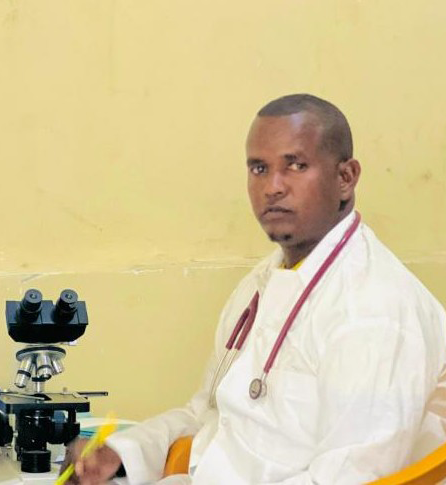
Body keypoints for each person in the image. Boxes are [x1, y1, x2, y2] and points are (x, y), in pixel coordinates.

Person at [62, 94, 446, 484]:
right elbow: (206, 414)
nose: (272, 187)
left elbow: (350, 478)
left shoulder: (375, 310)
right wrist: (123, 453)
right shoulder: (264, 281)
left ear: (345, 178)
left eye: (296, 165)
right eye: (259, 168)